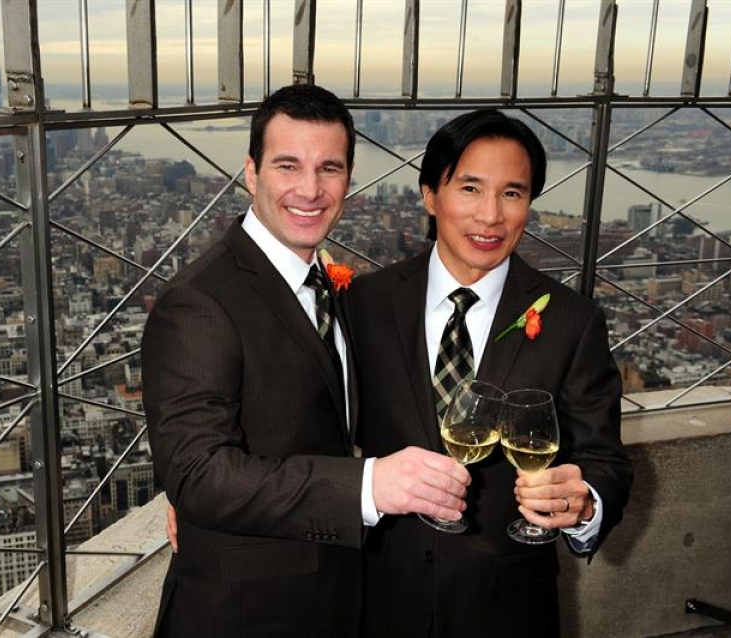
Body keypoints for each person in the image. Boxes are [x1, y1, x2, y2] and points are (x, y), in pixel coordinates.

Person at [142, 83, 470, 638]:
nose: (311, 190)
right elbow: (197, 471)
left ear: (349, 178)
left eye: (330, 169)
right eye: (287, 166)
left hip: (334, 596)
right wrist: (368, 488)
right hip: (242, 614)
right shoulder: (199, 301)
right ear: (251, 173)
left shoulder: (326, 284)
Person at [349, 109, 633, 638]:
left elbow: (605, 459)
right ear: (430, 195)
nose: (491, 217)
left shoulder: (571, 320)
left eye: (512, 194)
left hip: (507, 607)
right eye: (471, 188)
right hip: (377, 594)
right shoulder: (366, 301)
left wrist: (584, 499)